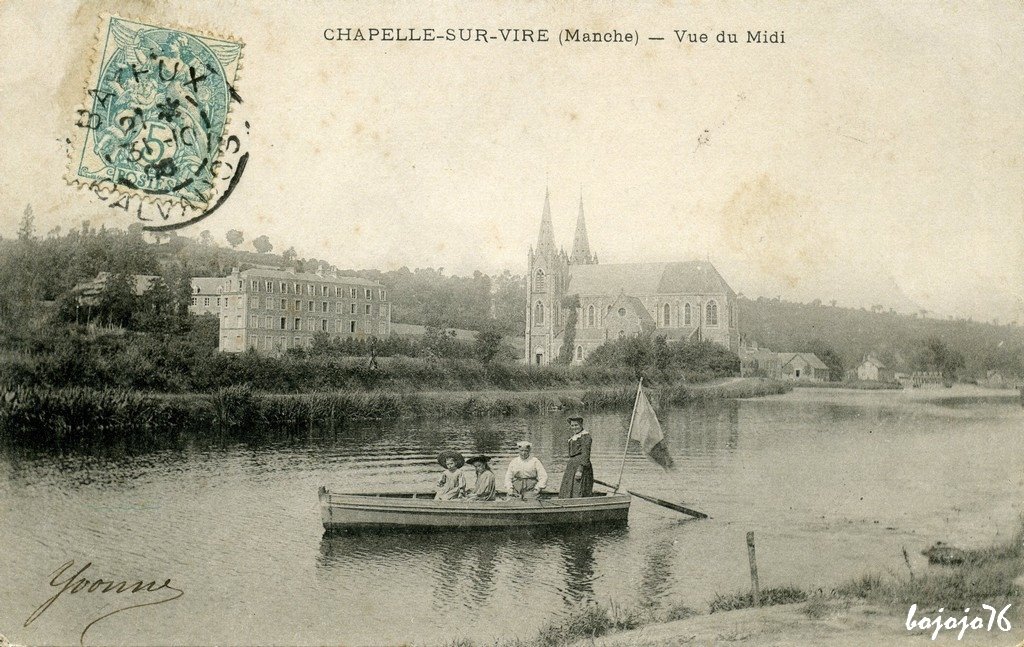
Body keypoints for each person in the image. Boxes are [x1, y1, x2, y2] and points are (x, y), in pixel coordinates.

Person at [559, 416, 594, 498]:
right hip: (572, 466)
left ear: (581, 424)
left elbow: (586, 454)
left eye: (576, 425)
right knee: (568, 487)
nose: (574, 427)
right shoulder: (574, 437)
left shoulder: (585, 436)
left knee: (578, 488)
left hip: (581, 465)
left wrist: (580, 470)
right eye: (572, 425)